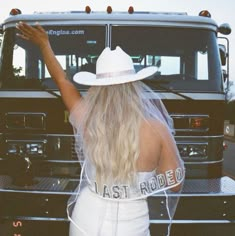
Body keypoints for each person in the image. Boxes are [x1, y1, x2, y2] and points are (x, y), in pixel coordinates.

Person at [17, 22, 185, 236]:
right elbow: (175, 184)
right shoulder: (157, 129)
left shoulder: (86, 115)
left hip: (86, 217)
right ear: (134, 87)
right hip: (131, 224)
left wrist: (44, 44)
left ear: (97, 88)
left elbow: (62, 80)